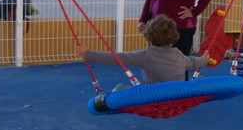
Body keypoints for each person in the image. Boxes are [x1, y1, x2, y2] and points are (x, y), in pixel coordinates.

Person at [77, 14, 214, 85]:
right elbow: (194, 63)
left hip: (152, 98)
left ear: (148, 36)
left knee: (118, 89)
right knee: (198, 80)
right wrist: (205, 59)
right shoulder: (178, 55)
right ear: (174, 37)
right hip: (176, 96)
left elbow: (116, 58)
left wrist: (88, 54)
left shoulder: (146, 55)